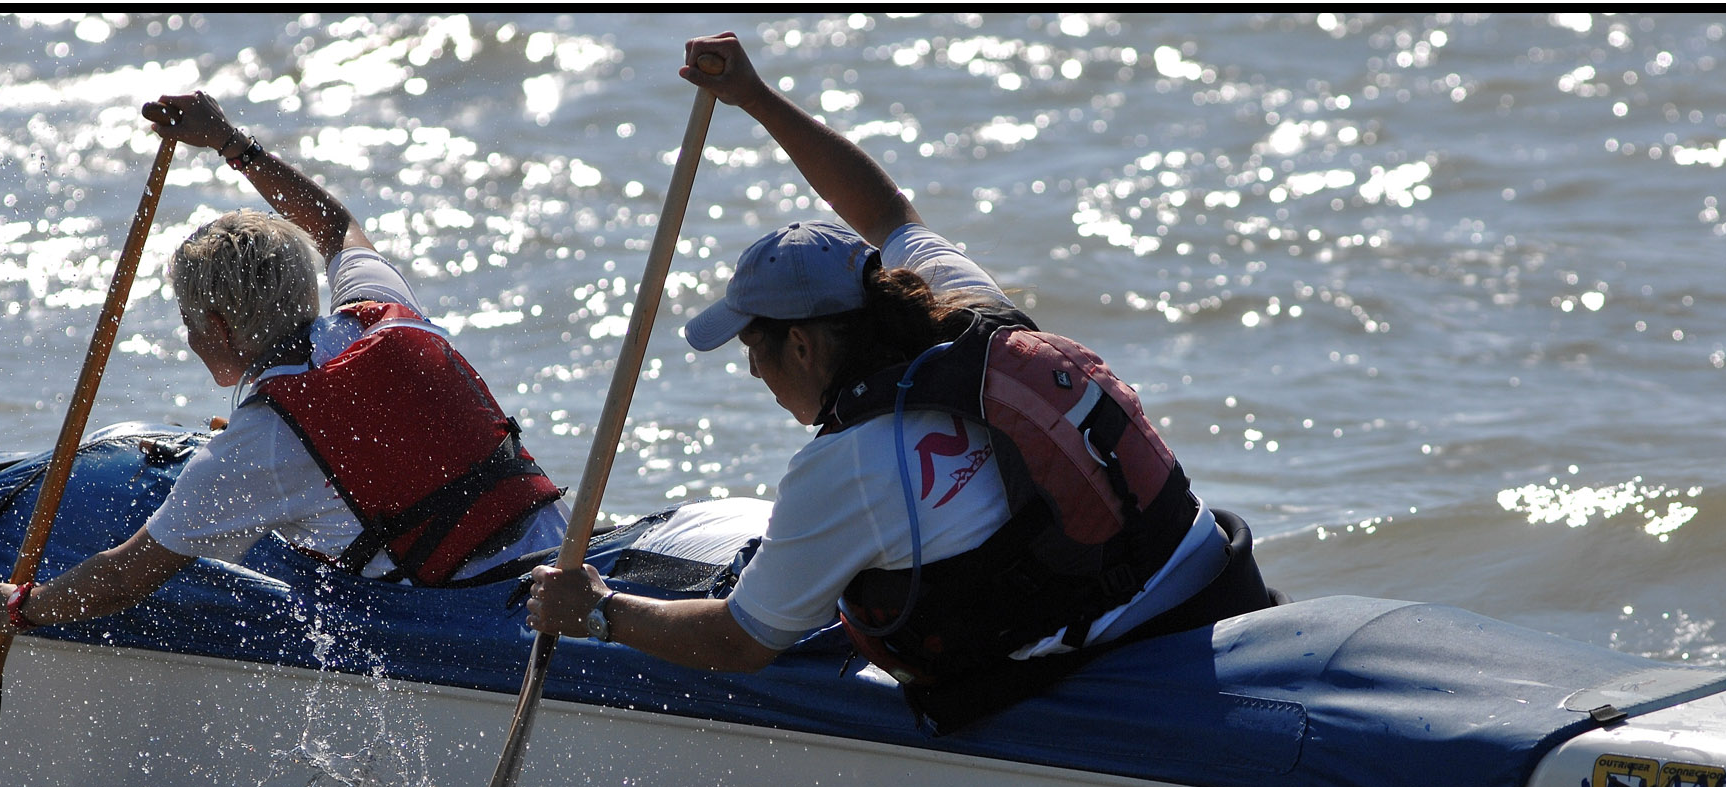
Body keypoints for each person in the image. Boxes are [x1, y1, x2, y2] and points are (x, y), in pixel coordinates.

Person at [527, 34, 1281, 732]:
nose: (751, 370)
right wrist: (755, 98)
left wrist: (599, 612)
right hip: (1214, 572)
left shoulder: (845, 467)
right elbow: (883, 209)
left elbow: (741, 639)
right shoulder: (959, 304)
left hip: (1127, 651)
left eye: (751, 347)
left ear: (799, 343)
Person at [0, 92, 567, 636]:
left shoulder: (261, 440)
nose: (188, 335)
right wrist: (233, 144)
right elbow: (336, 228)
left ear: (216, 328)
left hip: (476, 615)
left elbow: (124, 577)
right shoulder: (382, 310)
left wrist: (24, 606)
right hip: (554, 554)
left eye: (189, 321)